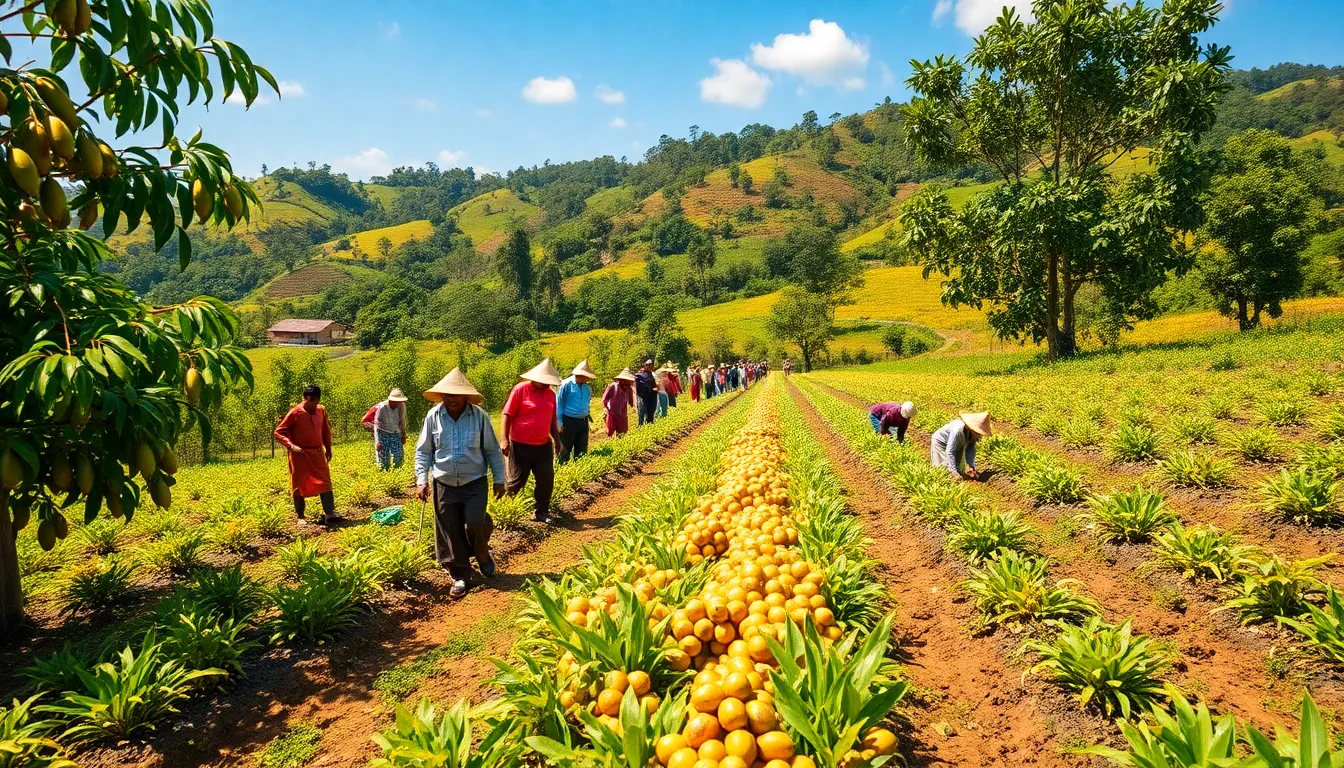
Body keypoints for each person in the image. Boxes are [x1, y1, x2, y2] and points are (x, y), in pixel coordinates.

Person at [414, 369, 505, 599]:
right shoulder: (433, 416)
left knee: (475, 522)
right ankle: (461, 575)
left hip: (474, 481)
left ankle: (481, 552)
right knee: (451, 530)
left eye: (455, 394)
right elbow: (424, 451)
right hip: (443, 482)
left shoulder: (479, 417)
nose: (450, 398)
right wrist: (421, 479)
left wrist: (499, 478)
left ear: (465, 396)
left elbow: (492, 450)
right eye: (446, 394)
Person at [502, 359, 564, 525]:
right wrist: (504, 439)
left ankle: (541, 511)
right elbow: (507, 414)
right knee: (516, 481)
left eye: (547, 382)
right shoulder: (521, 389)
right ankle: (507, 513)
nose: (545, 384)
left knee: (546, 480)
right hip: (520, 445)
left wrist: (557, 441)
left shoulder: (550, 394)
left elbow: (552, 420)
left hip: (543, 446)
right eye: (542, 381)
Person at [274, 384, 339, 526]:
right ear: (304, 398)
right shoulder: (295, 413)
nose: (310, 403)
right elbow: (278, 432)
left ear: (318, 399)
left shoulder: (321, 411)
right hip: (299, 453)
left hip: (317, 451)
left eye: (313, 400)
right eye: (307, 399)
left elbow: (325, 431)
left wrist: (328, 448)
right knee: (299, 484)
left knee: (325, 482)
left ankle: (329, 513)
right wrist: (291, 445)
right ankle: (300, 516)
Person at [931, 412, 992, 481]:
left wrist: (971, 466)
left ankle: (955, 477)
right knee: (942, 466)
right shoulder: (957, 430)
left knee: (958, 466)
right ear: (972, 429)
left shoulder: (972, 435)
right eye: (979, 433)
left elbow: (970, 449)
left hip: (958, 444)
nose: (980, 436)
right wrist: (953, 471)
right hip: (941, 442)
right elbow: (950, 450)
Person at [556, 360, 596, 464]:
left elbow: (587, 404)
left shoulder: (587, 388)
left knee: (582, 448)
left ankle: (580, 471)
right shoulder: (565, 385)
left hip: (583, 421)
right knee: (564, 449)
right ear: (580, 374)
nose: (588, 379)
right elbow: (559, 404)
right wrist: (559, 423)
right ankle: (562, 472)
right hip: (568, 421)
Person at [362, 388, 409, 470]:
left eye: (398, 401)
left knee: (398, 455)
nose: (396, 403)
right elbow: (370, 421)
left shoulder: (402, 406)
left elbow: (402, 420)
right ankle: (384, 470)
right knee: (383, 456)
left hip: (396, 432)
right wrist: (377, 439)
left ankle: (397, 471)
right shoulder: (382, 407)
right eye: (394, 401)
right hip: (382, 433)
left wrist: (403, 435)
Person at [603, 368, 636, 437]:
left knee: (622, 432)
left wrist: (633, 405)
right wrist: (605, 408)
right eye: (626, 381)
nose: (628, 383)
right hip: (612, 412)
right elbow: (605, 398)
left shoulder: (628, 388)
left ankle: (619, 442)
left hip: (622, 413)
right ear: (621, 380)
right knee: (610, 431)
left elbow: (631, 400)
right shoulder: (612, 386)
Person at [634, 359, 659, 426]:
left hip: (651, 395)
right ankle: (640, 425)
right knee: (642, 411)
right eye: (649, 365)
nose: (650, 367)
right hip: (643, 396)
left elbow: (653, 384)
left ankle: (650, 424)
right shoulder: (639, 375)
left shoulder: (650, 374)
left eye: (651, 365)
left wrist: (655, 388)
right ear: (645, 366)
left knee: (651, 412)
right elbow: (639, 386)